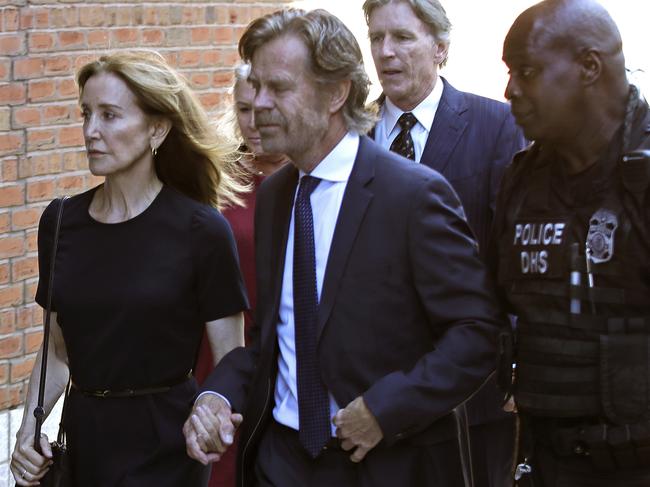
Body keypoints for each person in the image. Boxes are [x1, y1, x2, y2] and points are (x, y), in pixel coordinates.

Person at [183, 8, 506, 487]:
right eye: (257, 86)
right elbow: (276, 336)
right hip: (280, 461)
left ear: (336, 93)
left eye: (280, 87)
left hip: (382, 463)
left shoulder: (412, 195)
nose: (260, 103)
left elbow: (478, 333)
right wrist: (218, 394)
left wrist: (385, 408)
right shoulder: (275, 196)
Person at [9, 50, 249, 487]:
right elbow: (59, 351)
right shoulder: (61, 222)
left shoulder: (202, 230)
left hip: (167, 445)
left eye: (109, 116)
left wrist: (212, 410)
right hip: (83, 440)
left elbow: (231, 356)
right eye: (86, 114)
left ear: (156, 129)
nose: (90, 131)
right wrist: (29, 426)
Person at [363, 0, 527, 484]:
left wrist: (517, 360)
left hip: (472, 391)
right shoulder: (352, 134)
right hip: (371, 392)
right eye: (376, 38)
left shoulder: (498, 126)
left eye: (403, 38)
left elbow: (514, 253)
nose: (386, 52)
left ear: (440, 48)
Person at [492, 0, 650, 485]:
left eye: (528, 71)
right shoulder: (522, 181)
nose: (510, 90)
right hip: (545, 461)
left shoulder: (642, 175)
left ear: (589, 67)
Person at [194, 63, 289, 487]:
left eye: (264, 108)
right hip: (222, 353)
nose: (254, 122)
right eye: (242, 109)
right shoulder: (214, 175)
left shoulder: (315, 174)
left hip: (291, 355)